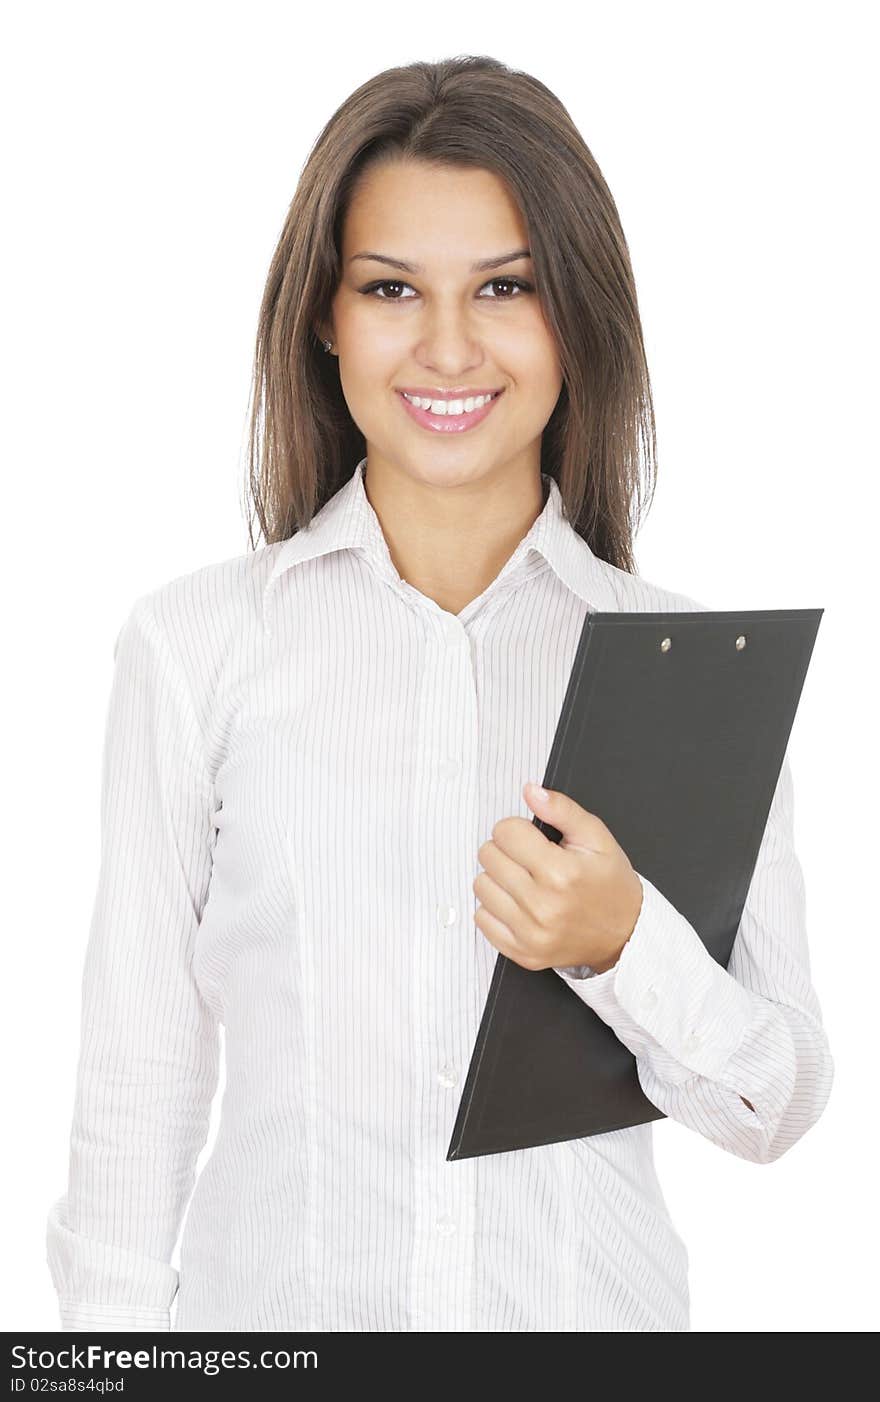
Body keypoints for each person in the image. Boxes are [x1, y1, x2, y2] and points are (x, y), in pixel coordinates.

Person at [45, 53, 834, 1334]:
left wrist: (621, 940)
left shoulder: (683, 669)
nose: (449, 345)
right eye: (392, 288)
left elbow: (775, 1102)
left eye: (506, 286)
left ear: (573, 312)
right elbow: (137, 1085)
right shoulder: (197, 650)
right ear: (325, 315)